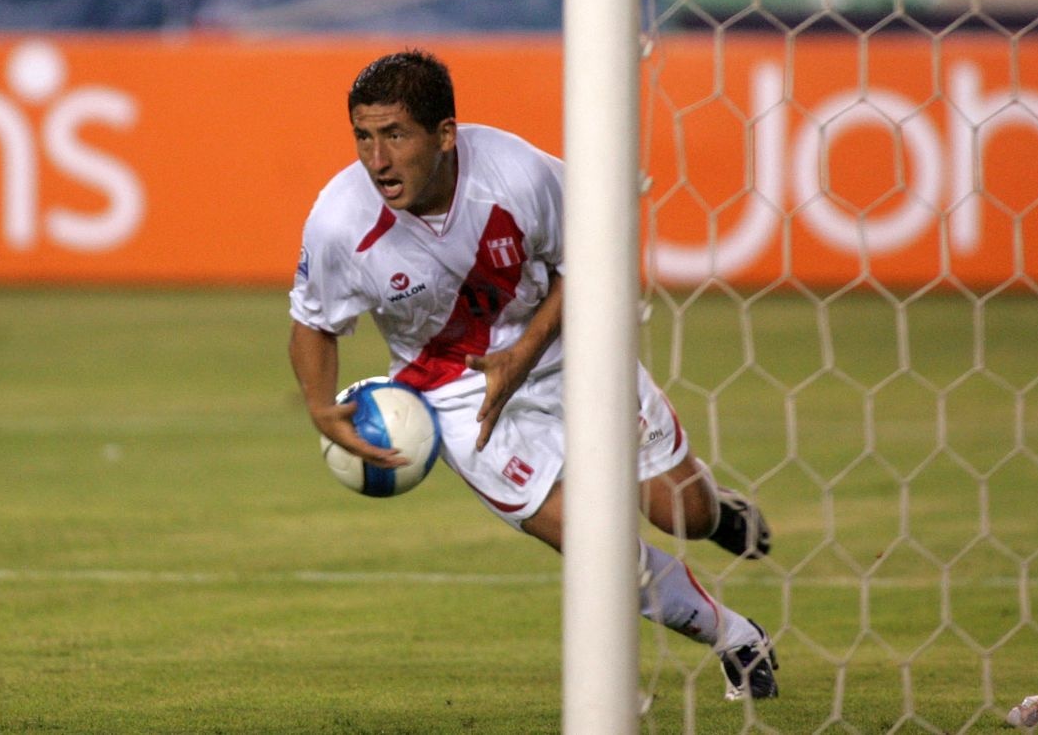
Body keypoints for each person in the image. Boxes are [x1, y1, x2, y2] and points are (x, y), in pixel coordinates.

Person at [287, 49, 778, 702]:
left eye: (395, 136)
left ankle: (717, 517)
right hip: (459, 401)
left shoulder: (517, 175)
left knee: (683, 514)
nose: (377, 160)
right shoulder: (339, 222)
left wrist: (523, 354)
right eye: (363, 138)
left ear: (445, 134)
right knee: (597, 548)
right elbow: (314, 324)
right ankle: (736, 638)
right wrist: (321, 409)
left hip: (573, 353)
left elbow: (596, 255)